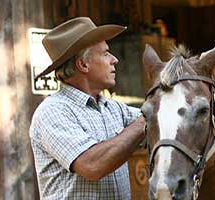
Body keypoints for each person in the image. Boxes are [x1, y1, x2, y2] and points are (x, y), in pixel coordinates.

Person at [29, 17, 146, 199]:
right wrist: (145, 121)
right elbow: (92, 165)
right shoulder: (53, 111)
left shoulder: (113, 108)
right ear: (83, 64)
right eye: (106, 53)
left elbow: (161, 121)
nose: (114, 59)